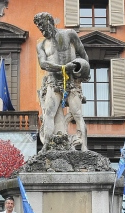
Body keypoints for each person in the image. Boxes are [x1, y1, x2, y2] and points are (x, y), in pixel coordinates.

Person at [34, 11, 90, 151]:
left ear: (50, 22)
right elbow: (43, 64)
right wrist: (64, 67)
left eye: (43, 25)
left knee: (77, 114)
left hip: (71, 82)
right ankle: (46, 147)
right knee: (49, 114)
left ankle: (84, 147)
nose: (41, 29)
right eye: (39, 27)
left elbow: (83, 55)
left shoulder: (69, 34)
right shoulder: (41, 45)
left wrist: (83, 71)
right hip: (53, 83)